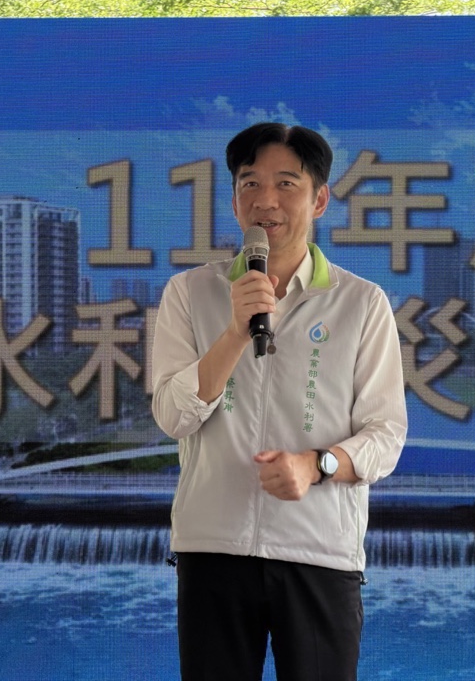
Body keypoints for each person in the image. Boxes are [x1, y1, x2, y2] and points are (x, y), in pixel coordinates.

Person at [151, 122, 408, 681]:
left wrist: (317, 465)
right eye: (250, 184)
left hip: (319, 552)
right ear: (234, 199)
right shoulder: (189, 294)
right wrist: (234, 332)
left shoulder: (361, 303)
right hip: (213, 549)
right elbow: (172, 415)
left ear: (319, 200)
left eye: (286, 184)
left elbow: (385, 434)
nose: (265, 200)